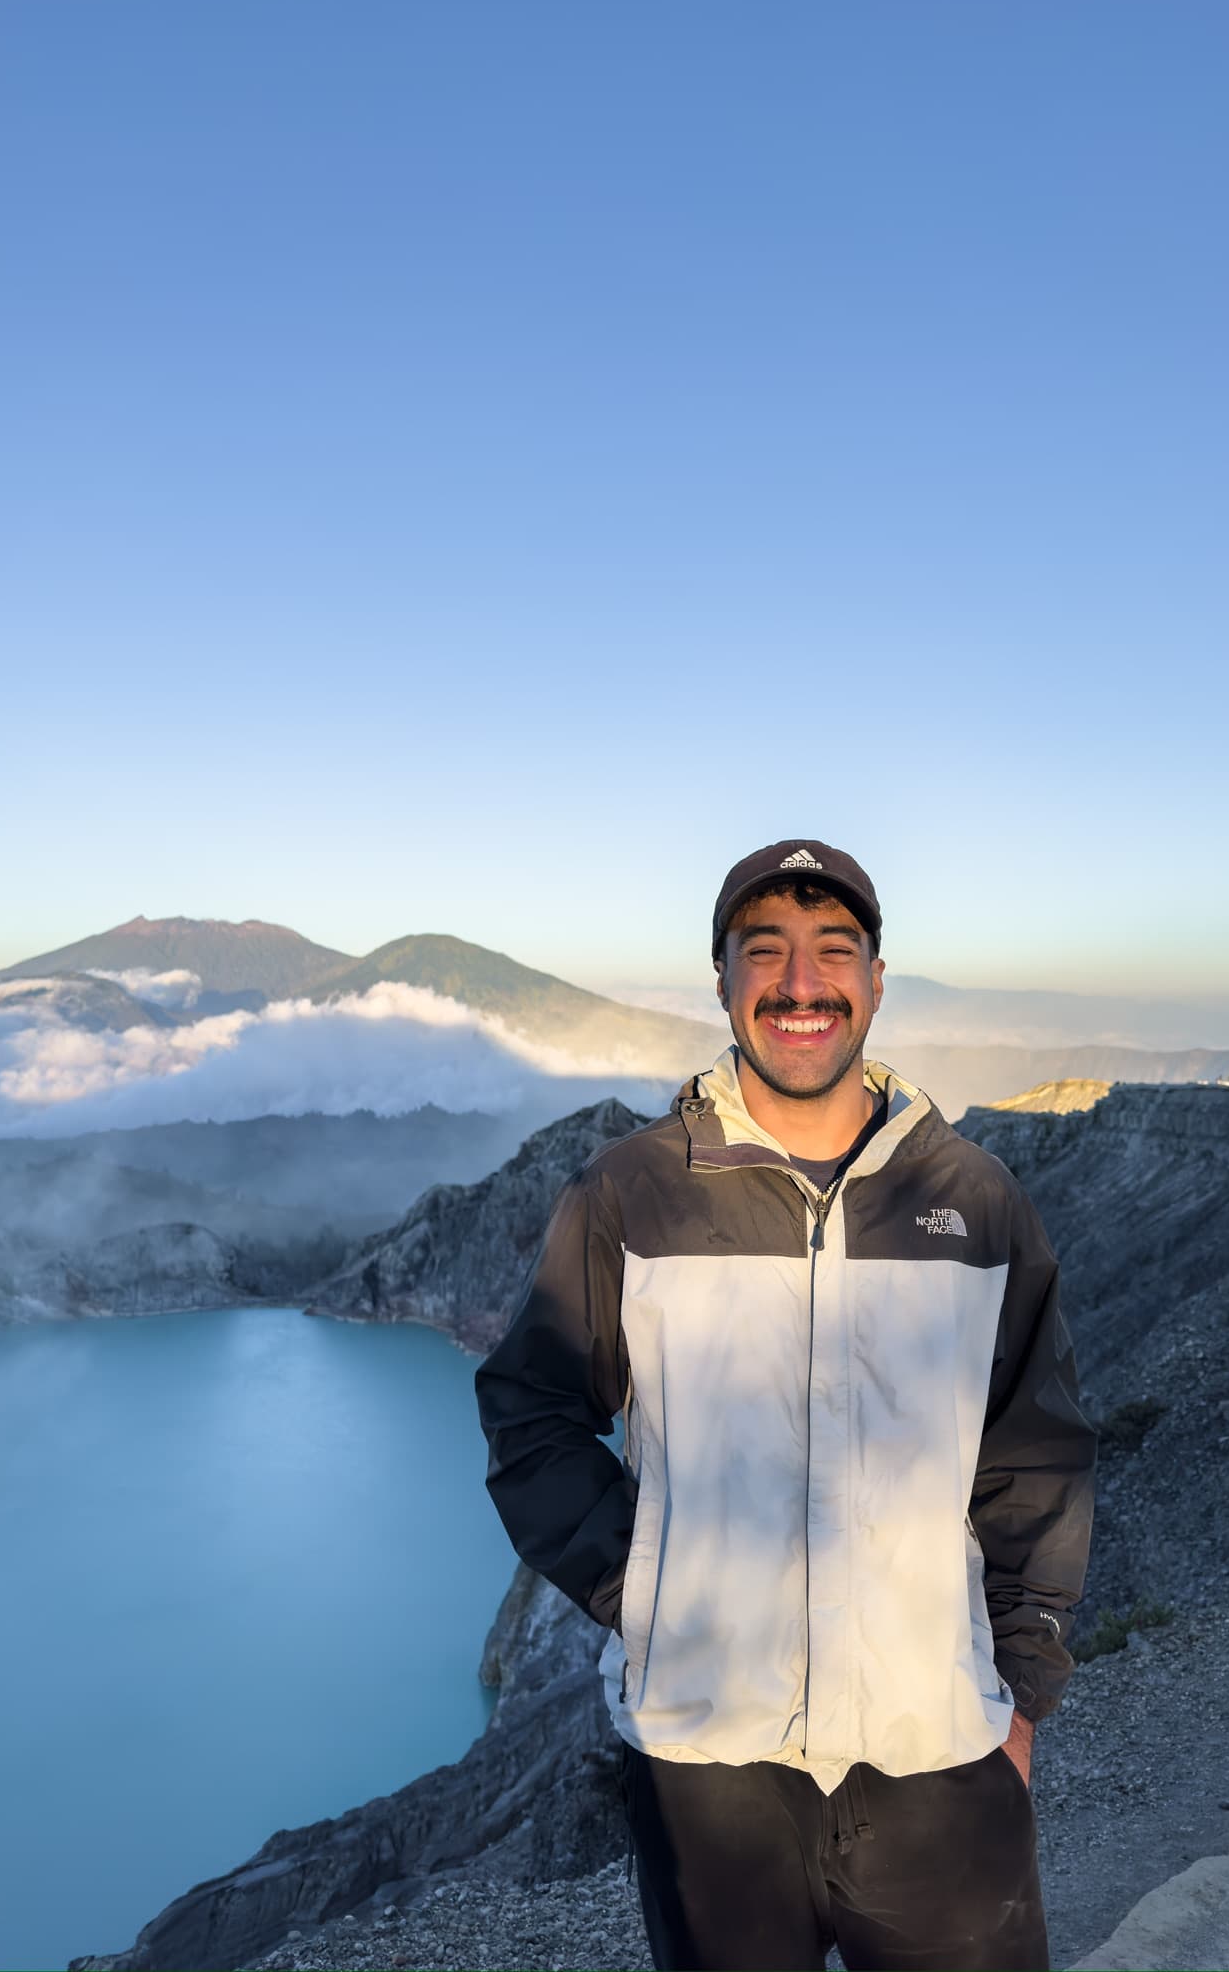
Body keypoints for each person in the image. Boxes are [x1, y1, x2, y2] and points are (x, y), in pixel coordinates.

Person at [474, 839, 1097, 1971]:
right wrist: (648, 1589)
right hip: (710, 1772)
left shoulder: (974, 1198)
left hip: (938, 1755)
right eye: (765, 952)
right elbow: (532, 1407)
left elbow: (1036, 1454)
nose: (801, 983)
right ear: (722, 981)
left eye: (833, 950)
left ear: (875, 977)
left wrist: (1020, 1693)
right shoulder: (634, 1191)